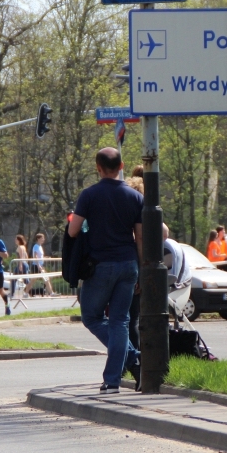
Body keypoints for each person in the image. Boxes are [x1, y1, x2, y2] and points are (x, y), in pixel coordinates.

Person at [69, 147, 143, 393]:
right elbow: (140, 238)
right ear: (121, 166)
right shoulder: (135, 197)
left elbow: (73, 231)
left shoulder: (89, 195)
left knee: (92, 317)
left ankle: (132, 359)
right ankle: (113, 379)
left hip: (101, 264)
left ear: (98, 168)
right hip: (129, 264)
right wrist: (140, 271)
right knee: (120, 321)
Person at [9, 234, 30, 299]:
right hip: (24, 263)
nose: (15, 240)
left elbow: (21, 257)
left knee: (14, 278)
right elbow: (26, 256)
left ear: (19, 240)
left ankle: (12, 293)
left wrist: (20, 265)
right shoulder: (23, 247)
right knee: (26, 280)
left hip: (21, 264)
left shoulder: (20, 247)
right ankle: (28, 292)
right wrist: (26, 263)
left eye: (16, 239)